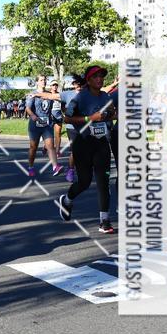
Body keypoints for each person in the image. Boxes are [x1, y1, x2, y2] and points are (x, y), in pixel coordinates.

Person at [58, 64, 116, 233]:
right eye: (95, 76)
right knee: (84, 181)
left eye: (101, 76)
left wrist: (111, 114)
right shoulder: (80, 97)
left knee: (103, 182)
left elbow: (111, 112)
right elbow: (67, 119)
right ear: (88, 80)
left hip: (101, 143)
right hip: (82, 143)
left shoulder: (105, 96)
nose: (99, 79)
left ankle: (104, 221)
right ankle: (67, 200)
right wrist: (90, 118)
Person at [26, 76, 63, 178]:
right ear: (37, 82)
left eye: (45, 80)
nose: (44, 82)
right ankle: (30, 167)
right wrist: (33, 116)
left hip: (47, 124)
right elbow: (28, 108)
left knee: (50, 145)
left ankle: (55, 167)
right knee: (33, 148)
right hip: (35, 124)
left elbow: (56, 104)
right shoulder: (32, 94)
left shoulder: (49, 94)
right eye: (41, 80)